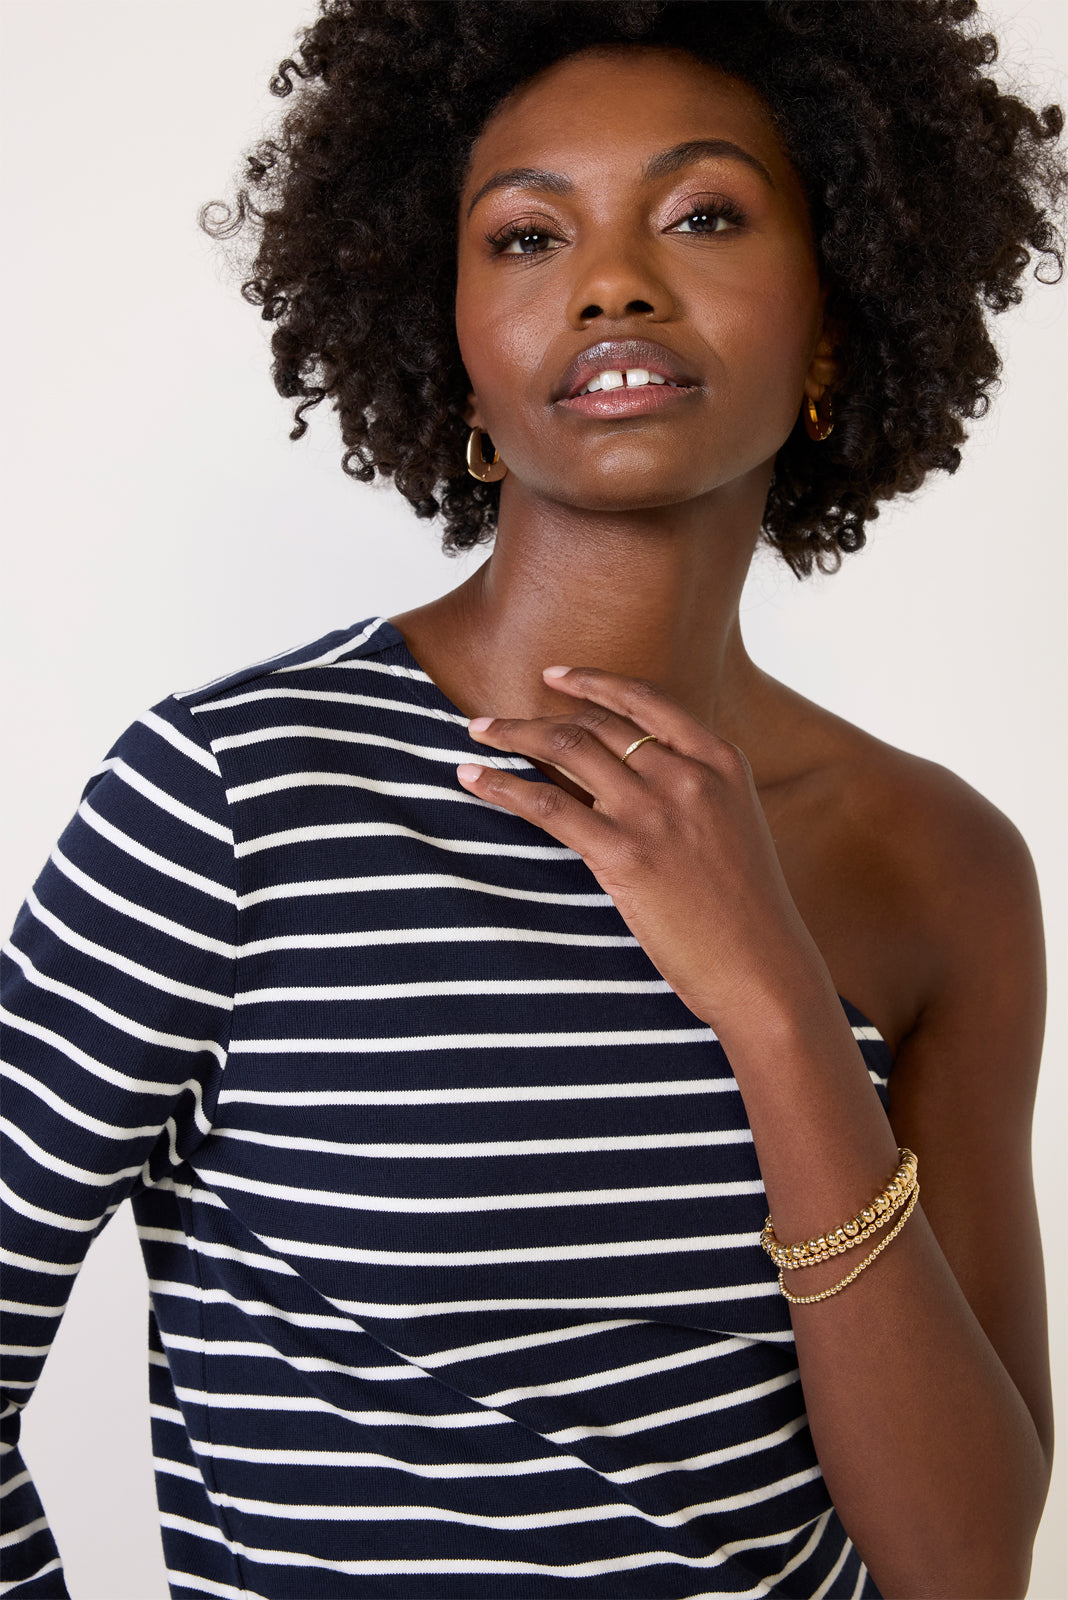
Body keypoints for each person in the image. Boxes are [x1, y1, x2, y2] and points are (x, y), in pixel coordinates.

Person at [2, 2, 1064, 1595]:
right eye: (525, 236)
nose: (612, 282)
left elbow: (965, 1564)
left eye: (703, 215)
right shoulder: (236, 798)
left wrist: (775, 1003)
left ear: (835, 327)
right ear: (455, 360)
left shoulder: (940, 862)